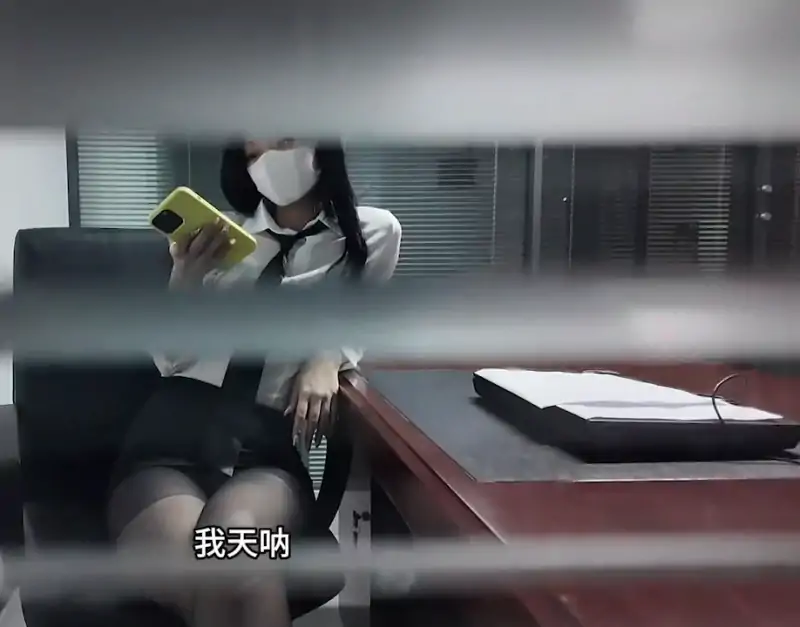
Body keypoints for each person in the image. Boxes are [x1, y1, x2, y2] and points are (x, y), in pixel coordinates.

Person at [106, 139, 402, 627]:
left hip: (265, 453)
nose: (269, 162)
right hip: (168, 444)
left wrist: (327, 358)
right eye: (253, 153)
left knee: (234, 550)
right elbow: (169, 360)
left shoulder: (371, 234)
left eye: (284, 142)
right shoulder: (218, 235)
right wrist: (186, 278)